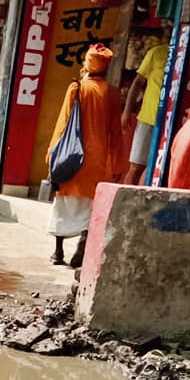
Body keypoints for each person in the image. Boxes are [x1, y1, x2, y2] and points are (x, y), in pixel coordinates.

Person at [46, 44, 123, 267]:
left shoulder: (76, 88)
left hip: (71, 157)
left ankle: (58, 252)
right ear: (106, 68)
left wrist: (51, 156)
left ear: (87, 65)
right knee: (90, 208)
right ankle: (81, 248)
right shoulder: (112, 93)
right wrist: (118, 164)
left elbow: (62, 125)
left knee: (63, 204)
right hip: (97, 161)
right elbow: (116, 132)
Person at [121, 32, 168, 185]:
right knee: (136, 167)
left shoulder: (188, 56)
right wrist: (127, 111)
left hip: (171, 123)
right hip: (148, 118)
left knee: (157, 170)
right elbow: (137, 83)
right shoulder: (157, 53)